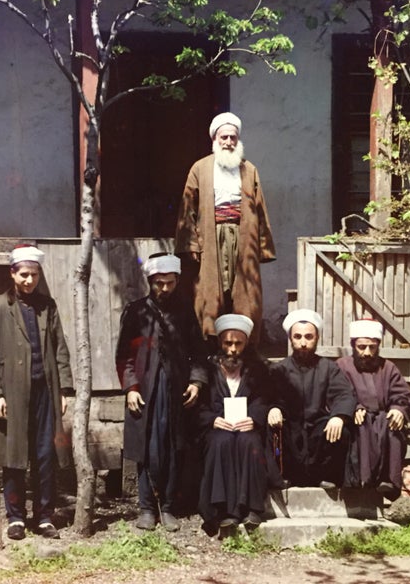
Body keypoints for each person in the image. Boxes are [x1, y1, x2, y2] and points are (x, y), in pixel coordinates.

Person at [0, 245, 73, 541]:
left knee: (45, 454)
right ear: (12, 274)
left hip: (46, 392)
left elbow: (60, 349)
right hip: (12, 395)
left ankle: (44, 516)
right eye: (23, 275)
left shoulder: (48, 306)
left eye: (33, 275)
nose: (29, 281)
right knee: (14, 455)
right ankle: (15, 517)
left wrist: (64, 389)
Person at [115, 253, 208, 532]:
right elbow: (123, 357)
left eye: (169, 283)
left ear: (177, 280)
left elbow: (198, 354)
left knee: (173, 448)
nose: (164, 289)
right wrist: (131, 388)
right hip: (145, 393)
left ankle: (168, 508)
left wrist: (196, 382)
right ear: (150, 282)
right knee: (147, 450)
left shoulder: (185, 313)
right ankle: (146, 508)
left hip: (175, 393)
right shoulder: (136, 312)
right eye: (159, 283)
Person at [174, 112, 276, 345]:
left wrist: (262, 245)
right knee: (209, 291)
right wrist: (191, 242)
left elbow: (259, 208)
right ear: (214, 139)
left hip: (243, 236)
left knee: (245, 292)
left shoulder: (249, 170)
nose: (229, 143)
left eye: (233, 138)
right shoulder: (200, 168)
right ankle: (209, 344)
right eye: (224, 137)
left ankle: (245, 345)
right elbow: (187, 208)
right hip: (211, 237)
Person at [197, 313, 277, 538]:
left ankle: (251, 509)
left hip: (245, 427)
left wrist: (254, 418)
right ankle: (223, 512)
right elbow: (198, 406)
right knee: (220, 442)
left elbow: (265, 400)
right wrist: (212, 419)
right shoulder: (208, 371)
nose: (232, 349)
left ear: (246, 344)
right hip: (216, 428)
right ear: (220, 343)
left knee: (249, 441)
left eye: (238, 344)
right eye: (228, 343)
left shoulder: (258, 371)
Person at [268, 309, 356, 489]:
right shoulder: (278, 370)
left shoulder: (329, 368)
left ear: (317, 338)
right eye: (298, 337)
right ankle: (282, 477)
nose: (303, 343)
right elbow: (268, 396)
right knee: (272, 430)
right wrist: (273, 408)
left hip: (317, 428)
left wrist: (338, 416)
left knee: (341, 431)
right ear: (290, 339)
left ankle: (327, 478)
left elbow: (344, 394)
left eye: (309, 337)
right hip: (289, 427)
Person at [337, 319, 410, 500]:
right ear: (353, 345)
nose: (367, 353)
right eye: (361, 347)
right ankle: (359, 481)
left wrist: (398, 409)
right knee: (359, 427)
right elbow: (337, 393)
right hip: (355, 419)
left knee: (393, 426)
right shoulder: (341, 366)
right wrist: (353, 407)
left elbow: (402, 395)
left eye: (372, 347)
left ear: (378, 346)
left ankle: (388, 481)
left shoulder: (388, 368)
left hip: (382, 419)